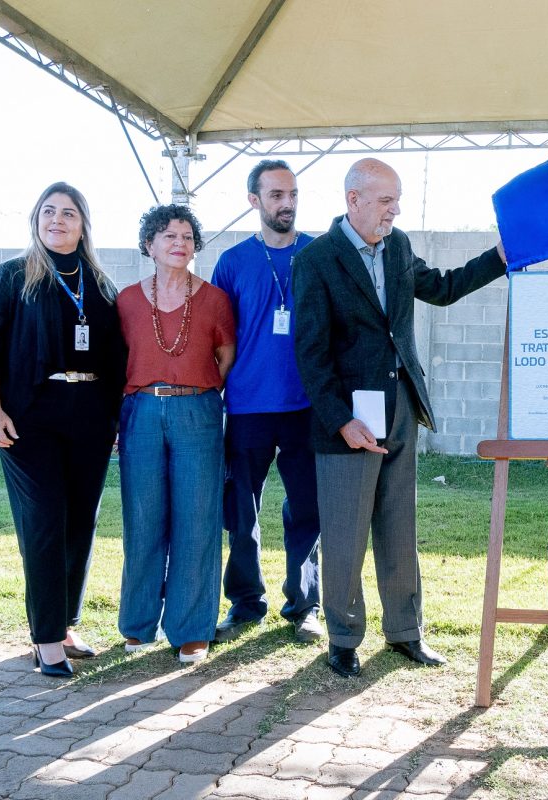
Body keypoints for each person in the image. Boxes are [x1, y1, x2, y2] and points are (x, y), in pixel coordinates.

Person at [293, 157, 506, 677]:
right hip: (348, 421)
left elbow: (444, 288)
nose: (395, 209)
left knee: (398, 525)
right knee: (344, 533)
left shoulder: (401, 246)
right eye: (386, 200)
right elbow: (310, 352)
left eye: (397, 200)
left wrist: (502, 255)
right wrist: (343, 419)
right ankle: (343, 639)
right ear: (354, 200)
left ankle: (405, 633)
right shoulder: (317, 259)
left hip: (401, 407)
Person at [0, 182, 124, 677]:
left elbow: (117, 358)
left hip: (90, 414)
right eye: (49, 211)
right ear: (36, 219)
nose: (57, 220)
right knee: (44, 522)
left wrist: (116, 417)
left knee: (80, 521)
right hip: (30, 416)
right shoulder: (12, 276)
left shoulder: (100, 284)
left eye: (69, 213)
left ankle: (64, 625)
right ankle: (45, 641)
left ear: (83, 225)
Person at [117, 204, 236, 664]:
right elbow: (117, 362)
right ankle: (138, 623)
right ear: (149, 244)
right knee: (143, 517)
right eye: (168, 235)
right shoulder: (126, 300)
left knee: (198, 517)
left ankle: (191, 627)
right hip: (141, 411)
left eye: (187, 235)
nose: (179, 242)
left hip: (198, 411)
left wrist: (194, 393)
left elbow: (225, 357)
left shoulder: (214, 298)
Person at [210, 160, 323, 644]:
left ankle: (304, 606)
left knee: (307, 509)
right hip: (248, 406)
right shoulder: (232, 262)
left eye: (292, 194)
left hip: (306, 406)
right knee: (241, 510)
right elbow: (216, 338)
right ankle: (245, 602)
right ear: (254, 201)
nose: (287, 203)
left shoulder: (319, 255)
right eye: (276, 195)